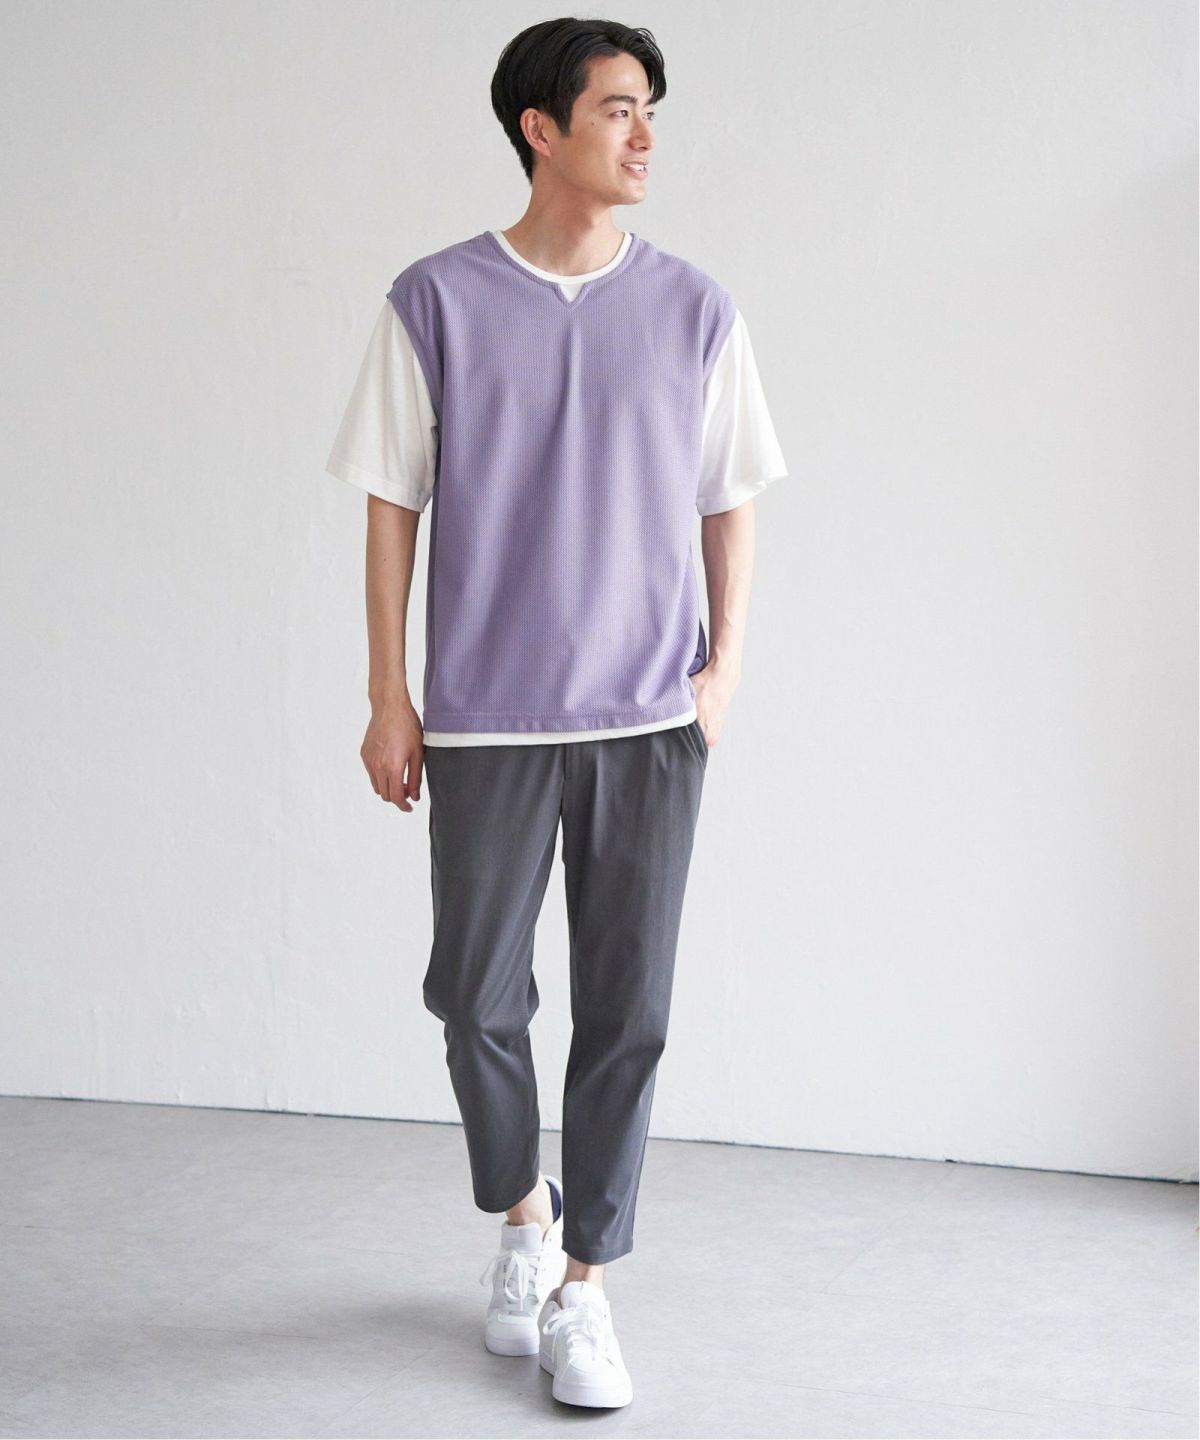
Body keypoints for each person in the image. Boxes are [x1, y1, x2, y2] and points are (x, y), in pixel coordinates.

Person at [325, 16, 787, 1411]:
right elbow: (391, 505)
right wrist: (389, 694)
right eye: (618, 109)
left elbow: (730, 499)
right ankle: (524, 1217)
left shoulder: (696, 308)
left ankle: (587, 1284)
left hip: (648, 717)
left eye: (651, 111)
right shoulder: (436, 300)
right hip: (485, 718)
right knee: (474, 997)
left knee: (627, 1009)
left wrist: (720, 675)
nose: (645, 136)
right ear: (542, 128)